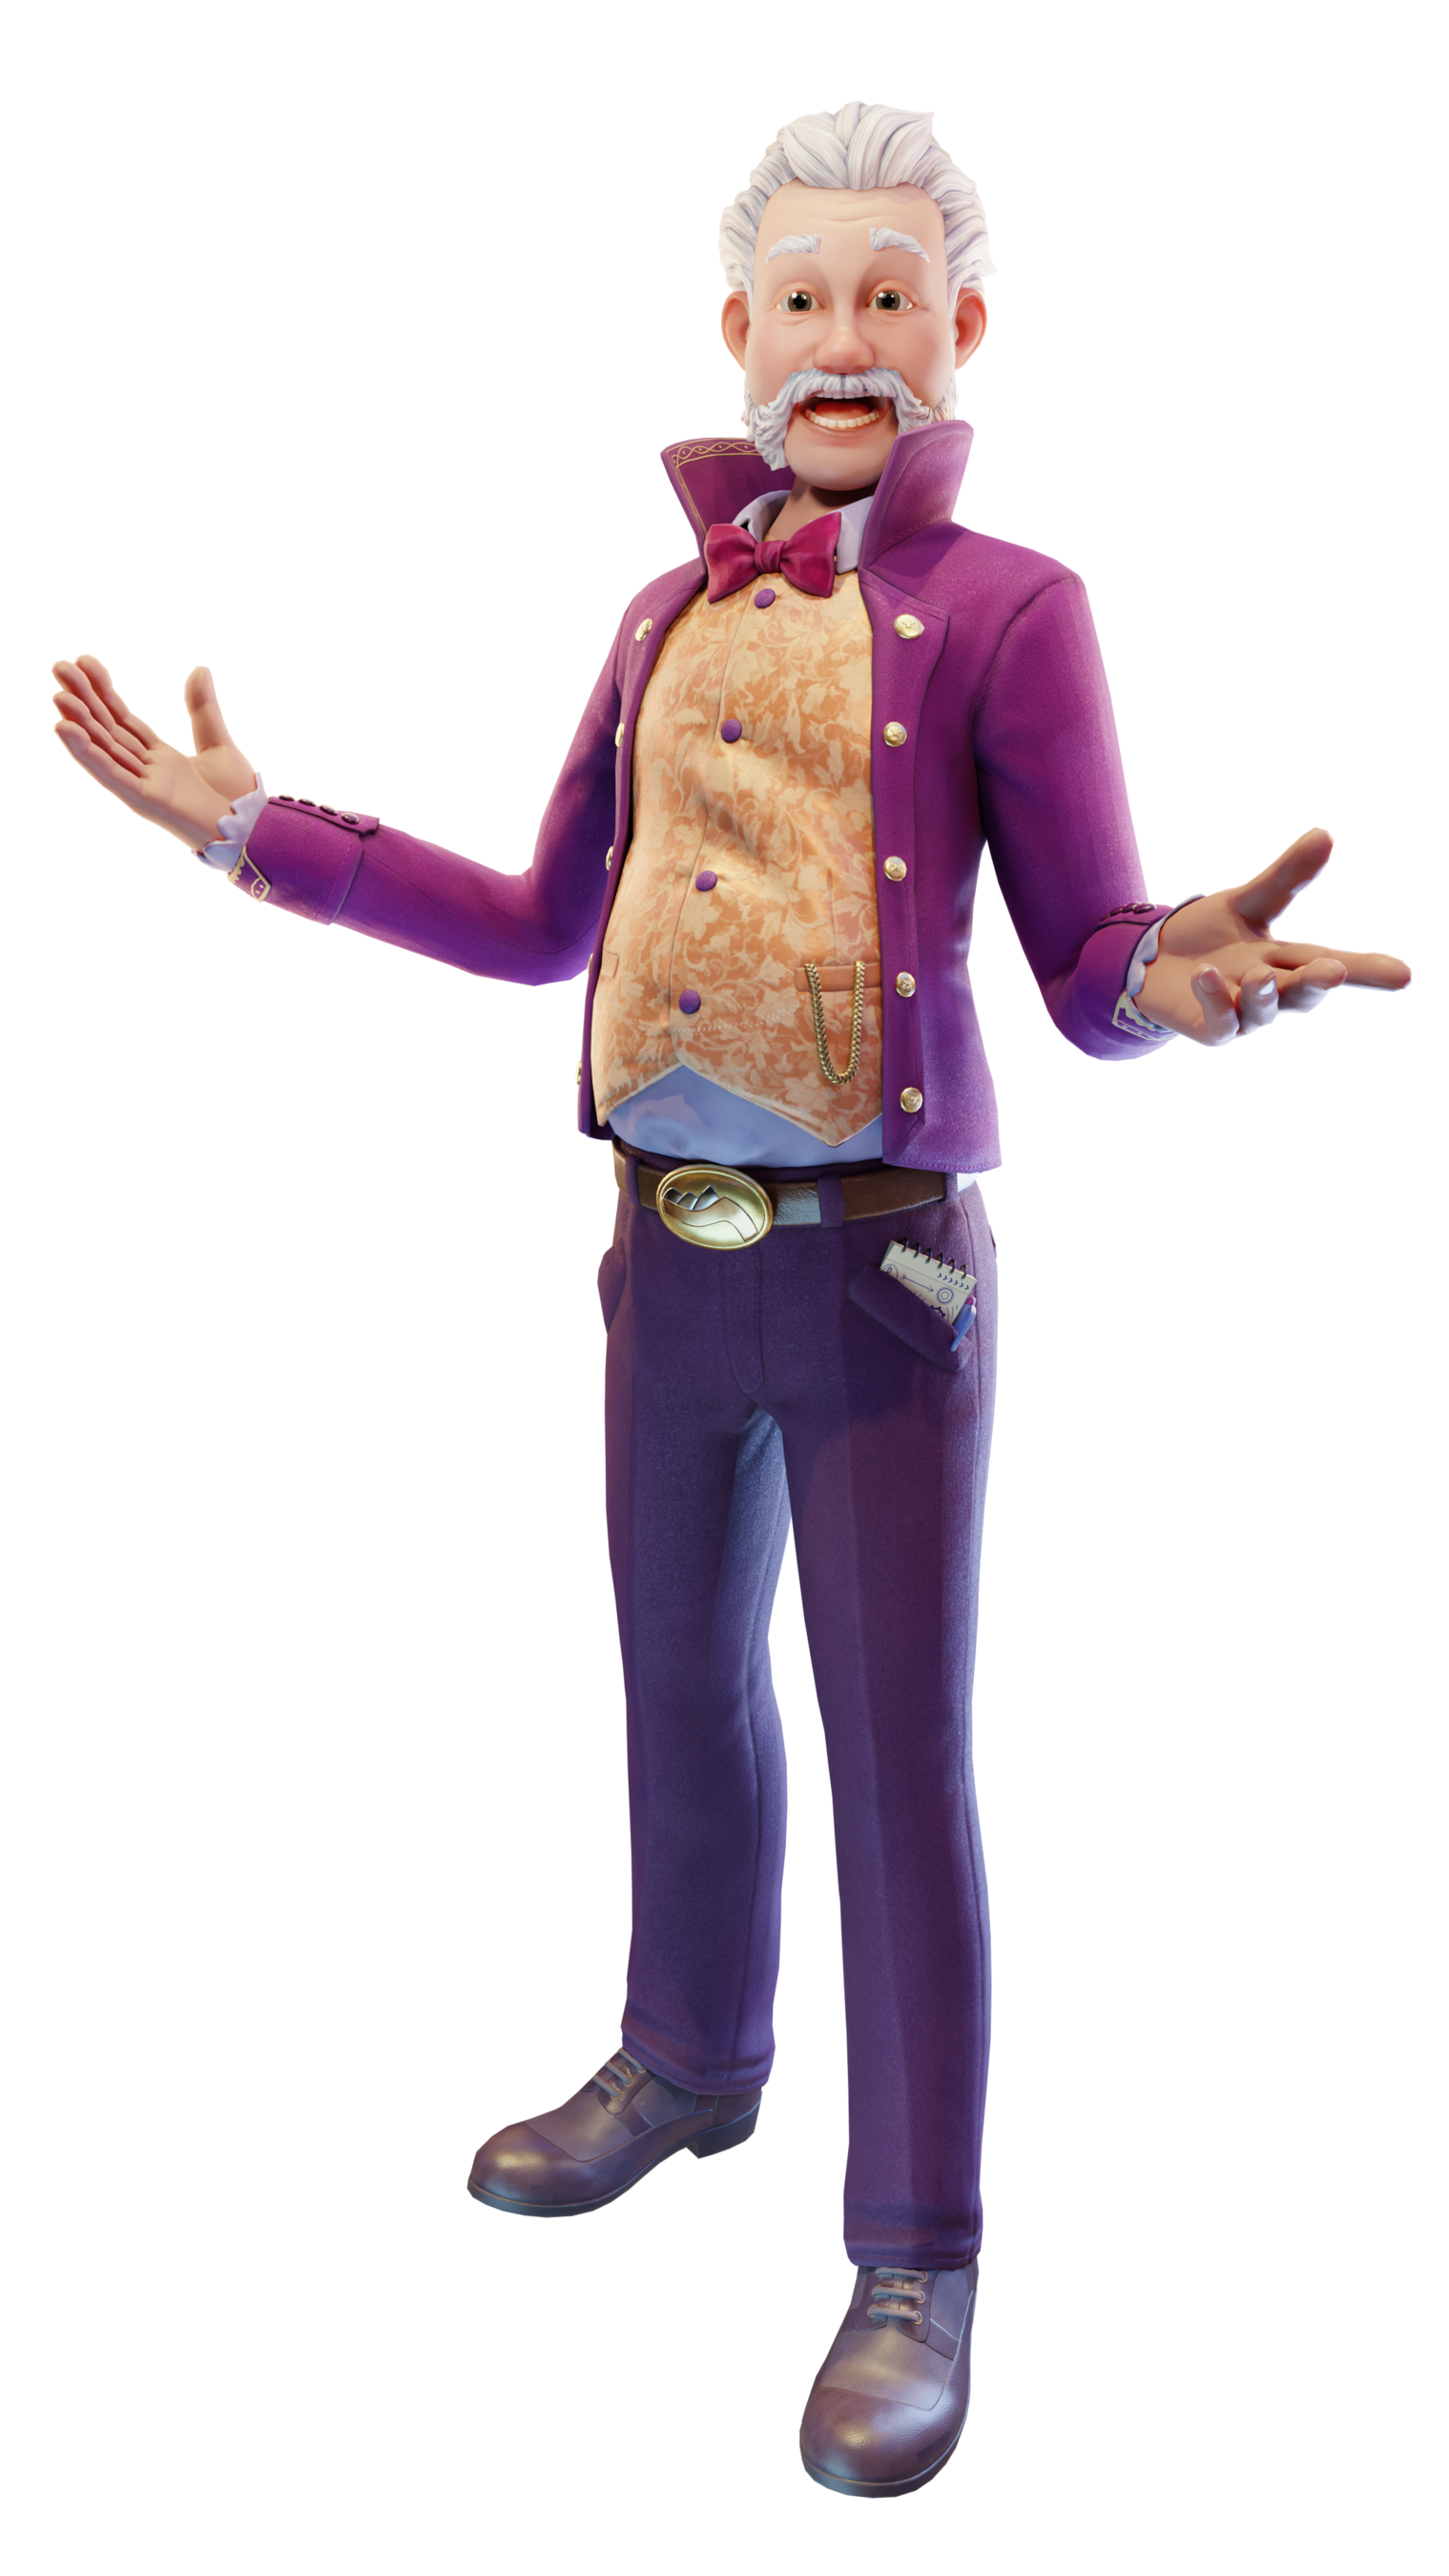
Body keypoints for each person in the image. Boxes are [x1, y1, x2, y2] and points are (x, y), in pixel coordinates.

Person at [50, 102, 1409, 2500]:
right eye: (803, 301)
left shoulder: (1014, 612)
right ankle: (691, 2049)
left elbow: (1083, 959)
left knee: (894, 1748)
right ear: (738, 334)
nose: (841, 342)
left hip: (882, 1276)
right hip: (660, 1258)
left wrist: (1169, 979)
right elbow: (538, 922)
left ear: (959, 329)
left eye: (888, 298)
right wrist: (256, 831)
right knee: (677, 1680)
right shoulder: (656, 618)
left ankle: (917, 2250)